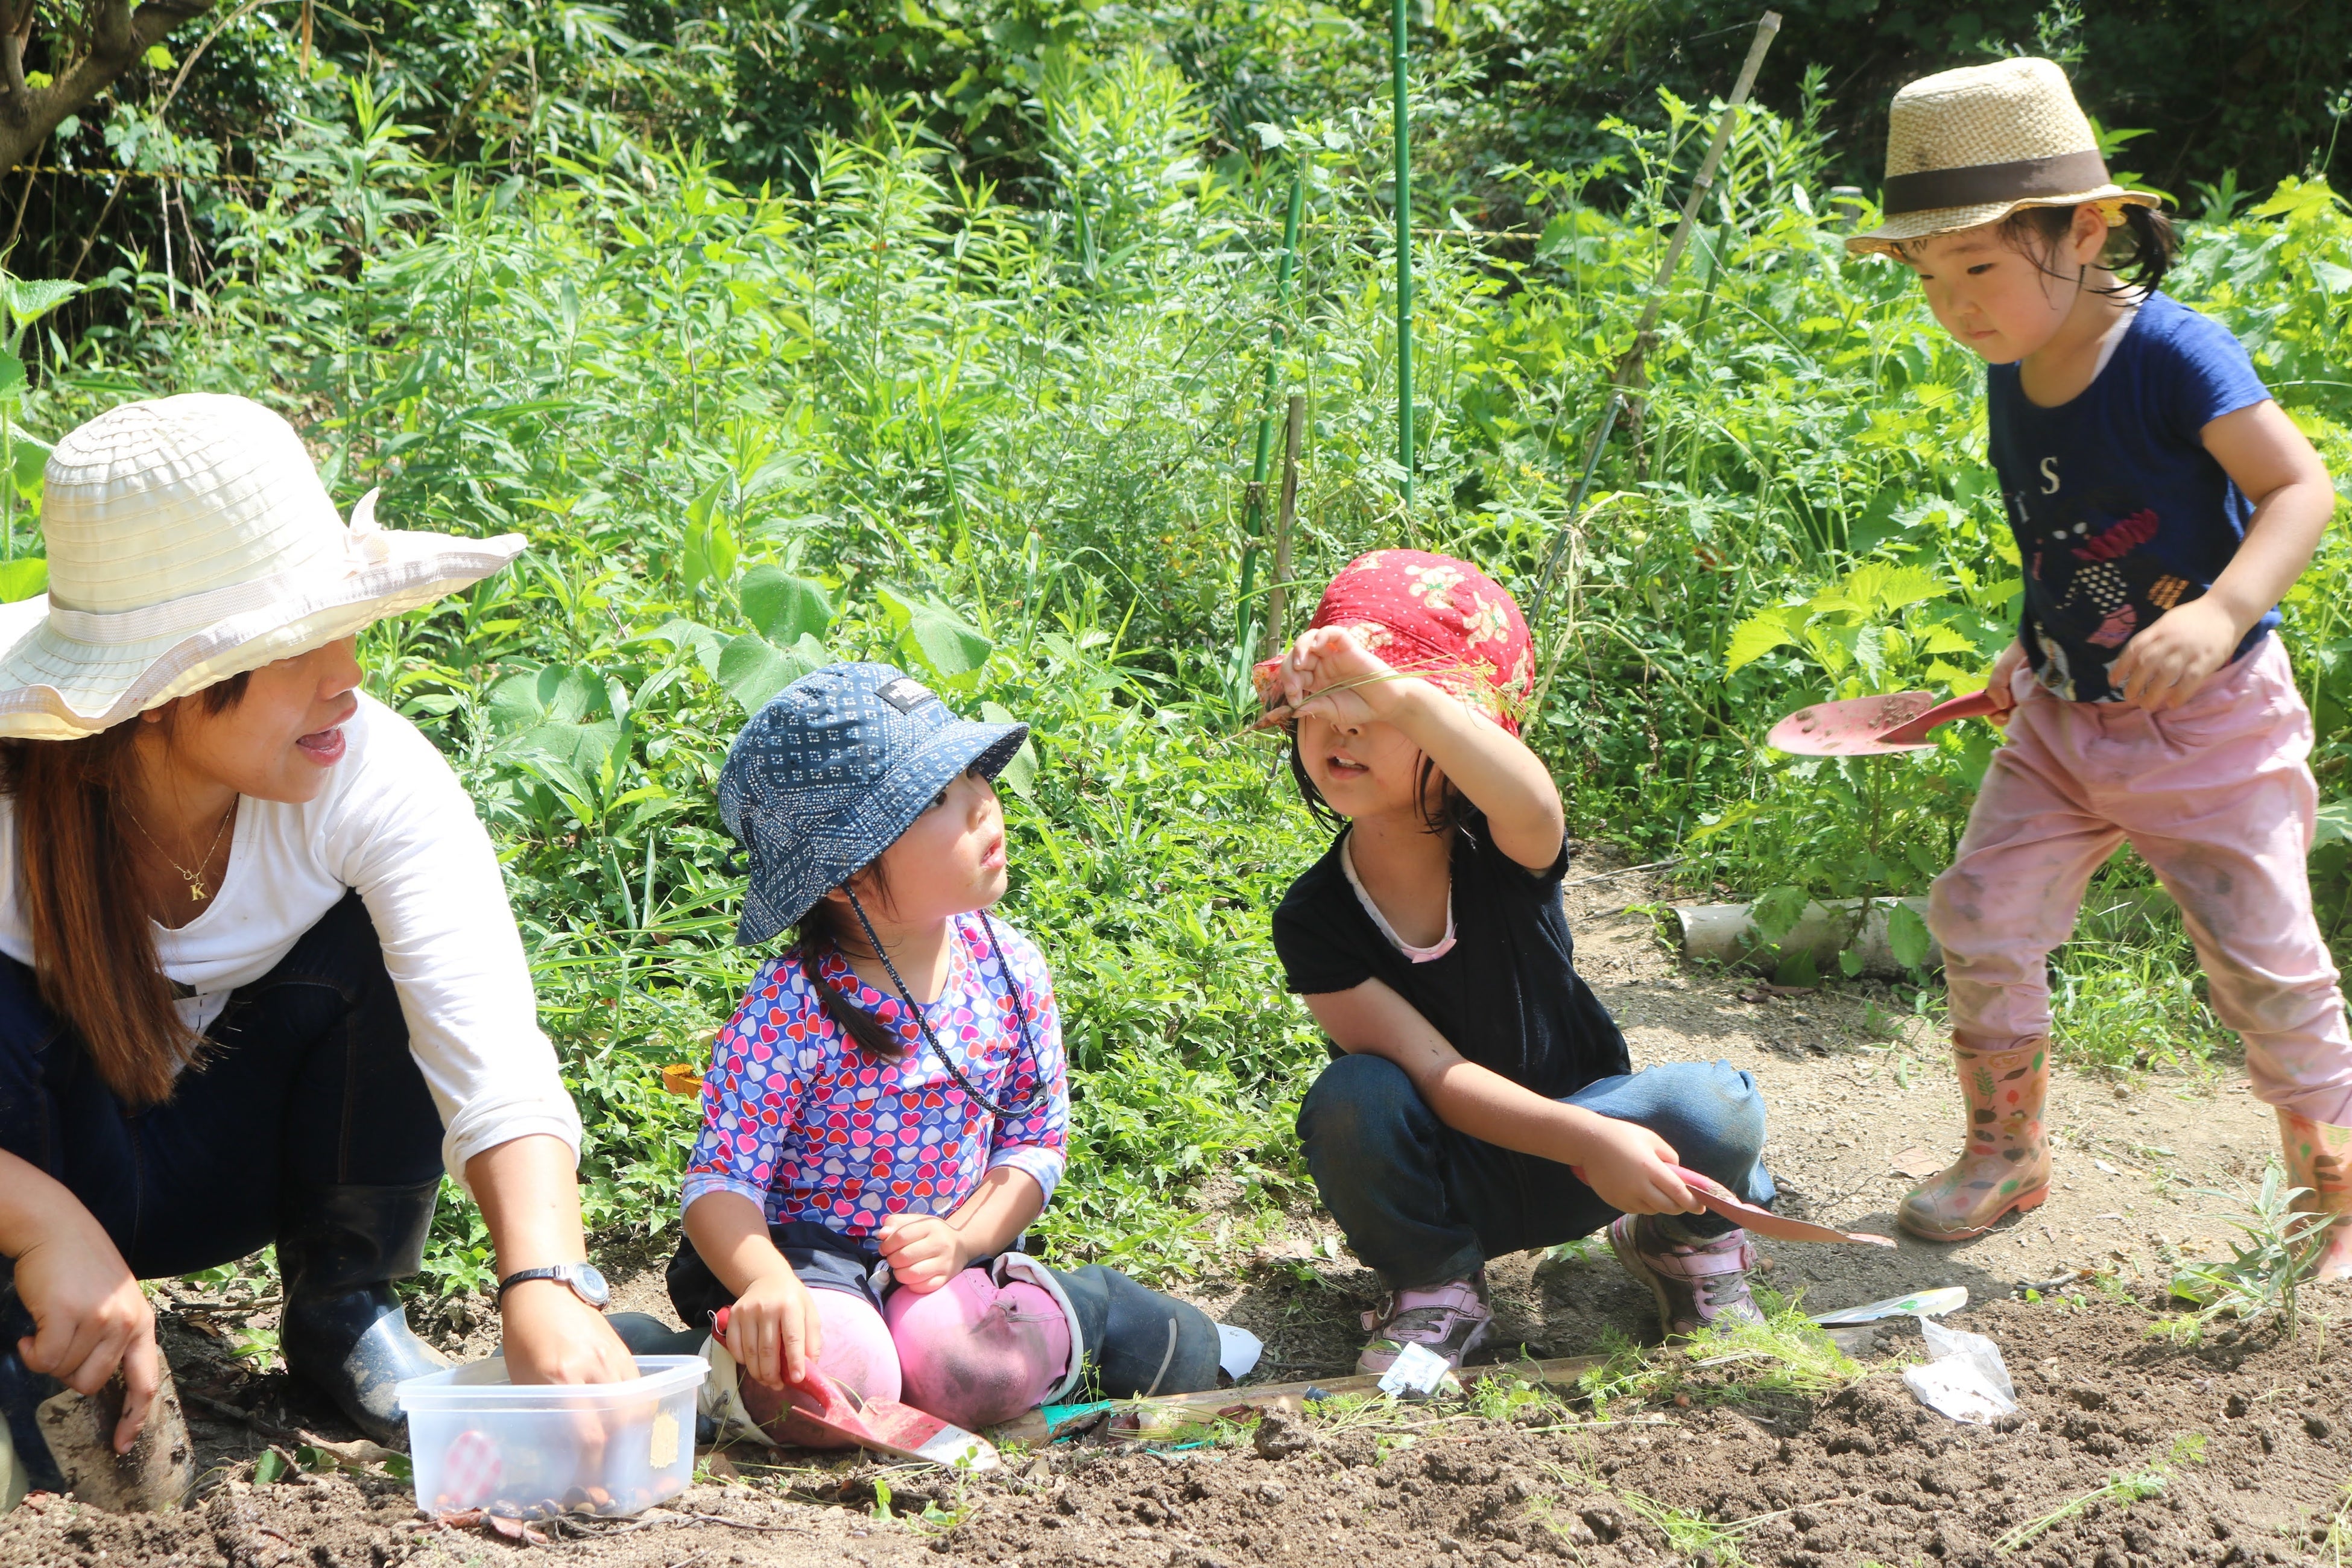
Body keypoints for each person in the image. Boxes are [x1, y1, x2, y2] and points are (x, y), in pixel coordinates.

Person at [0, 395, 636, 1488]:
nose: (346, 669)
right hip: (41, 1161)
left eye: (340, 624)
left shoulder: (369, 776)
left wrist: (544, 1281)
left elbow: (492, 1051)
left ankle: (344, 1304)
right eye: (292, 645)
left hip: (237, 1156)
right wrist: (38, 1216)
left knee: (372, 945)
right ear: (161, 692)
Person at [1844, 58, 2351, 1271]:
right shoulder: (2012, 371)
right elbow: (2065, 541)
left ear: (2084, 231)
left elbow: (2299, 487)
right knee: (1977, 910)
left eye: (1977, 267)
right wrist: (2031, 646)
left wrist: (2224, 613)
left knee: (2269, 968)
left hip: (2210, 727)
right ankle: (2005, 1155)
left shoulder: (2174, 354)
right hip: (2067, 725)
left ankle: (2328, 1195)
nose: (1955, 303)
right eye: (1927, 277)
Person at [669, 662, 1244, 1440]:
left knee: (975, 1371)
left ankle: (1089, 1311)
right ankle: (689, 1362)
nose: (981, 801)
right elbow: (721, 1179)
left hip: (949, 1255)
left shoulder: (1010, 969)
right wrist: (765, 1280)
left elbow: (1033, 1143)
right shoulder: (790, 1005)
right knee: (831, 1382)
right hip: (811, 1259)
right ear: (845, 879)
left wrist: (966, 1238)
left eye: (972, 774)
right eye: (935, 799)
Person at [1260, 550, 1777, 1370]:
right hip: (1457, 1176)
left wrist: (1401, 694)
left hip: (1600, 1147)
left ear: (1453, 728)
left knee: (1715, 1109)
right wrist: (1583, 1138)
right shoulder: (1316, 917)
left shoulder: (1507, 846)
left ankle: (1684, 1244)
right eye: (1324, 706)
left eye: (1378, 709)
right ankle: (1435, 1285)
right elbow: (1434, 1077)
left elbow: (1530, 796)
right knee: (1355, 1096)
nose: (1345, 727)